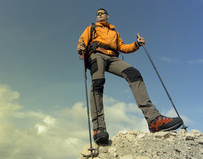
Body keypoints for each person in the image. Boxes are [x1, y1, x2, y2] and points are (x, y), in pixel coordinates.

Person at [77, 8, 183, 144]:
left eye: (102, 13)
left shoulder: (114, 32)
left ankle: (154, 120)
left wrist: (137, 44)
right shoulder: (91, 28)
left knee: (134, 74)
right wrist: (80, 47)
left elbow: (123, 47)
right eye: (97, 14)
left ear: (107, 16)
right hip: (96, 55)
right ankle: (99, 128)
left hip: (112, 57)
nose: (99, 15)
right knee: (98, 83)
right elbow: (82, 41)